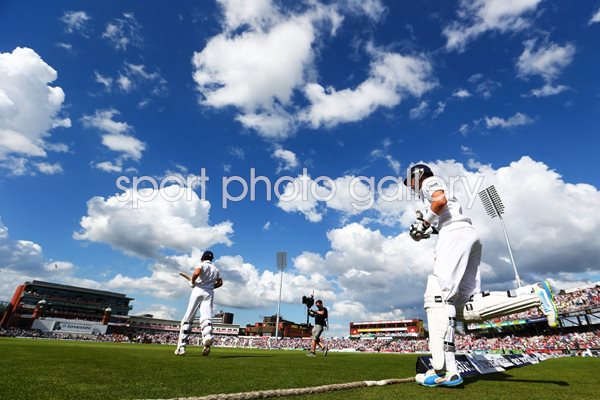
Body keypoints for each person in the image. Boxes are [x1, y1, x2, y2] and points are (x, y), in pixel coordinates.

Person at [404, 164, 558, 387]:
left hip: (455, 235)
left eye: (410, 181)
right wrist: (428, 229)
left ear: (417, 175)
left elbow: (440, 201)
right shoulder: (429, 192)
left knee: (438, 298)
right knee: (466, 307)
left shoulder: (429, 182)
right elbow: (443, 214)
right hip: (463, 234)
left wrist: (424, 222)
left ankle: (445, 370)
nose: (410, 186)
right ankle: (534, 294)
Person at [174, 250, 223, 357]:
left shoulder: (201, 264)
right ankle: (207, 337)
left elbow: (196, 273)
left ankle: (181, 348)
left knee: (188, 318)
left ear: (202, 258)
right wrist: (210, 287)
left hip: (198, 290)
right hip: (209, 293)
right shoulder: (216, 269)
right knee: (206, 317)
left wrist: (192, 282)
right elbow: (220, 283)